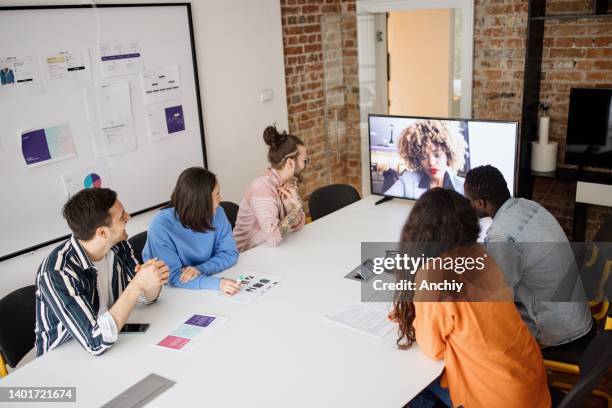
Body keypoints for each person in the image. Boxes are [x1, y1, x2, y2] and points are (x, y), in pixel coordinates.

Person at [392, 188, 550, 408]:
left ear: (419, 232)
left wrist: (420, 313)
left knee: (409, 389)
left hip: (496, 400)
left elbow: (432, 350)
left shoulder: (433, 274)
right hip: (530, 387)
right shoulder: (481, 255)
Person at [464, 165, 592, 346]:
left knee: (473, 328)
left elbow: (494, 296)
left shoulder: (502, 236)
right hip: (576, 318)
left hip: (557, 334)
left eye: (467, 200)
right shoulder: (529, 206)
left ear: (480, 203)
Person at [35, 188, 169, 356]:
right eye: (122, 216)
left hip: (111, 338)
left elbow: (145, 298)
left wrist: (153, 279)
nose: (129, 217)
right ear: (102, 232)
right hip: (64, 357)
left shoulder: (119, 245)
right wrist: (136, 286)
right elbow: (94, 341)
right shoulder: (57, 273)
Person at [143, 167, 240, 295]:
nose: (220, 199)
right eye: (217, 195)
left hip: (201, 282)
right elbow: (173, 276)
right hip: (172, 293)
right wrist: (218, 283)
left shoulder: (218, 212)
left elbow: (230, 253)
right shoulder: (161, 226)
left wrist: (199, 269)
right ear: (201, 201)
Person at [233, 126, 308, 252]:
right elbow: (273, 238)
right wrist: (295, 211)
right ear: (290, 163)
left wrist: (291, 209)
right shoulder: (262, 187)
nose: (307, 165)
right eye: (305, 161)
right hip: (247, 257)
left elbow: (300, 224)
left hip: (272, 251)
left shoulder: (288, 183)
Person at [384, 120, 467, 199]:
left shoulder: (464, 186)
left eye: (437, 155)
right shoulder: (407, 180)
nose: (431, 162)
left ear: (448, 155)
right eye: (423, 157)